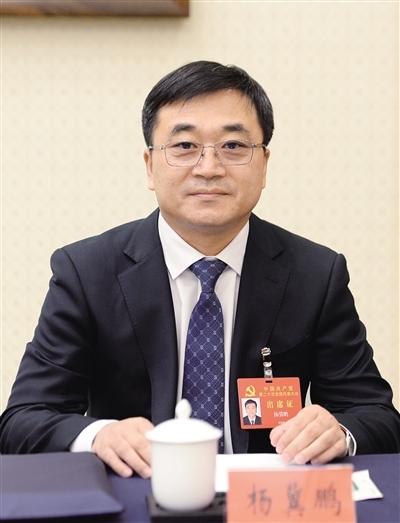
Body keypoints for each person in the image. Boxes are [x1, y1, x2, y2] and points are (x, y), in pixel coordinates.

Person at [1, 61, 399, 480]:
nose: (209, 168)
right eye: (185, 146)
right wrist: (99, 435)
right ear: (150, 165)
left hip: (264, 495)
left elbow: (376, 416)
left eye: (233, 146)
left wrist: (339, 432)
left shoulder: (314, 274)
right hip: (138, 491)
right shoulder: (88, 272)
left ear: (264, 163)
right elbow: (23, 421)